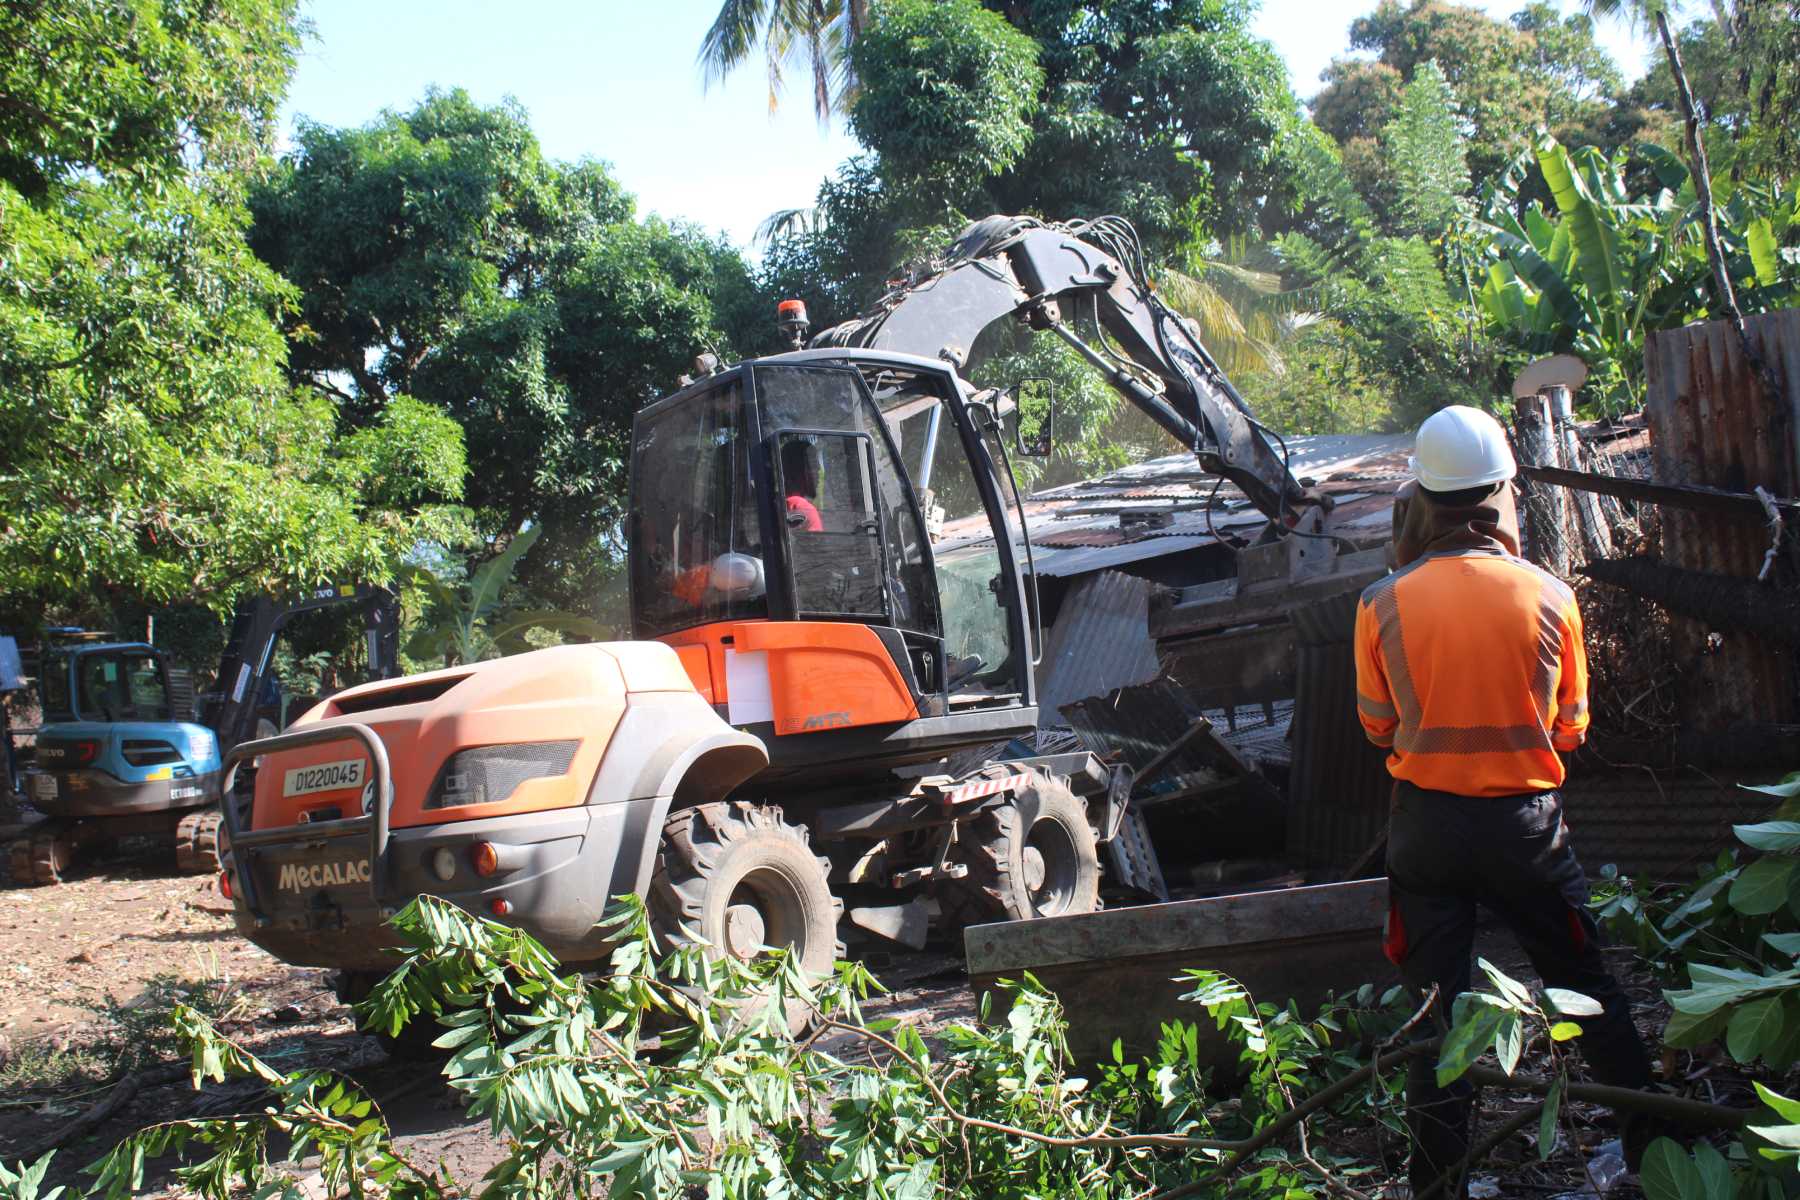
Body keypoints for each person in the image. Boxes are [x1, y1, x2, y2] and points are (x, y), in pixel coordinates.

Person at [1353, 405, 1655, 1198]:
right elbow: (1572, 730)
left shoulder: (1379, 603)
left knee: (1437, 1016)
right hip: (1527, 830)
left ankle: (1440, 1185)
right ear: (1501, 495)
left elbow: (1378, 728)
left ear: (1423, 495)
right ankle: (1652, 1151)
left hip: (1425, 831)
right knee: (1588, 988)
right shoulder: (1553, 597)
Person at [781, 438, 824, 532]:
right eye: (813, 465)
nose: (818, 471)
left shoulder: (781, 502)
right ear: (799, 470)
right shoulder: (803, 508)